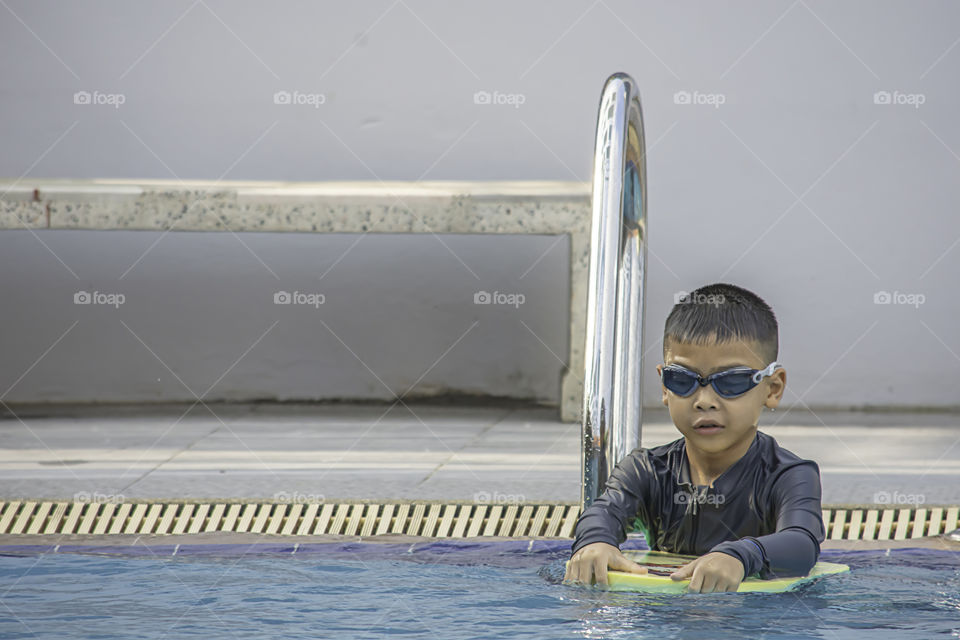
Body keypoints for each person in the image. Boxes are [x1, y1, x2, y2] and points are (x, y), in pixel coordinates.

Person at [564, 282, 826, 593]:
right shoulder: (645, 471)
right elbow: (603, 513)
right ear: (664, 387)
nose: (704, 400)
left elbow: (802, 542)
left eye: (731, 381)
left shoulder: (787, 475)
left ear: (773, 388)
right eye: (682, 379)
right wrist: (595, 542)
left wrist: (742, 556)